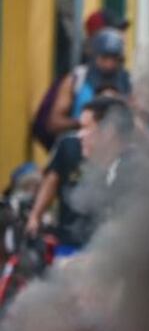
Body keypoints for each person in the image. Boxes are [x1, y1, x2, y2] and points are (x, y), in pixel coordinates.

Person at [24, 96, 122, 258]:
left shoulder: (129, 166)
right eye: (79, 127)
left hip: (106, 253)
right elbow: (51, 180)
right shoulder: (69, 147)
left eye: (86, 128)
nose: (80, 135)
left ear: (108, 132)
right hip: (69, 243)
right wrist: (35, 215)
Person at [41, 29, 132, 143]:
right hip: (79, 145)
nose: (109, 64)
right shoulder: (77, 79)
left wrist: (120, 105)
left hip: (114, 148)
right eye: (104, 57)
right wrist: (86, 121)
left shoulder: (129, 82)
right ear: (95, 56)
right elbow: (53, 123)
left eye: (114, 58)